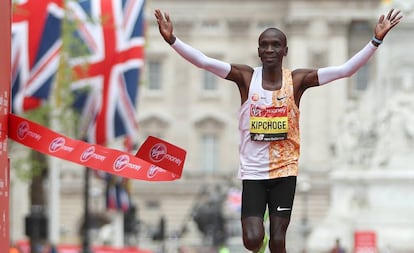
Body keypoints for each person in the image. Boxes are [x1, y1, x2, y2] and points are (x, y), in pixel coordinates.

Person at [154, 8, 402, 253]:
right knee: (252, 240)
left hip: (285, 171)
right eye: (264, 45)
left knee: (278, 240)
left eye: (275, 45)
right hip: (253, 172)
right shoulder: (245, 77)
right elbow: (204, 62)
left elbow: (344, 70)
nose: (270, 49)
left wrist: (375, 40)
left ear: (285, 50)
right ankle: (257, 243)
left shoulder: (297, 80)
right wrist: (173, 40)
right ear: (258, 50)